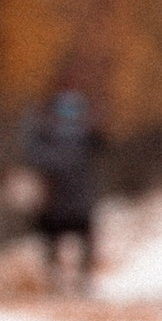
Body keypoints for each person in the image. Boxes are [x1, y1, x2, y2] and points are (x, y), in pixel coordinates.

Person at [21, 81, 105, 286]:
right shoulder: (78, 130)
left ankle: (63, 277)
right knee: (72, 236)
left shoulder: (47, 129)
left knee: (59, 237)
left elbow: (32, 151)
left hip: (62, 195)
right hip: (68, 195)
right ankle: (72, 278)